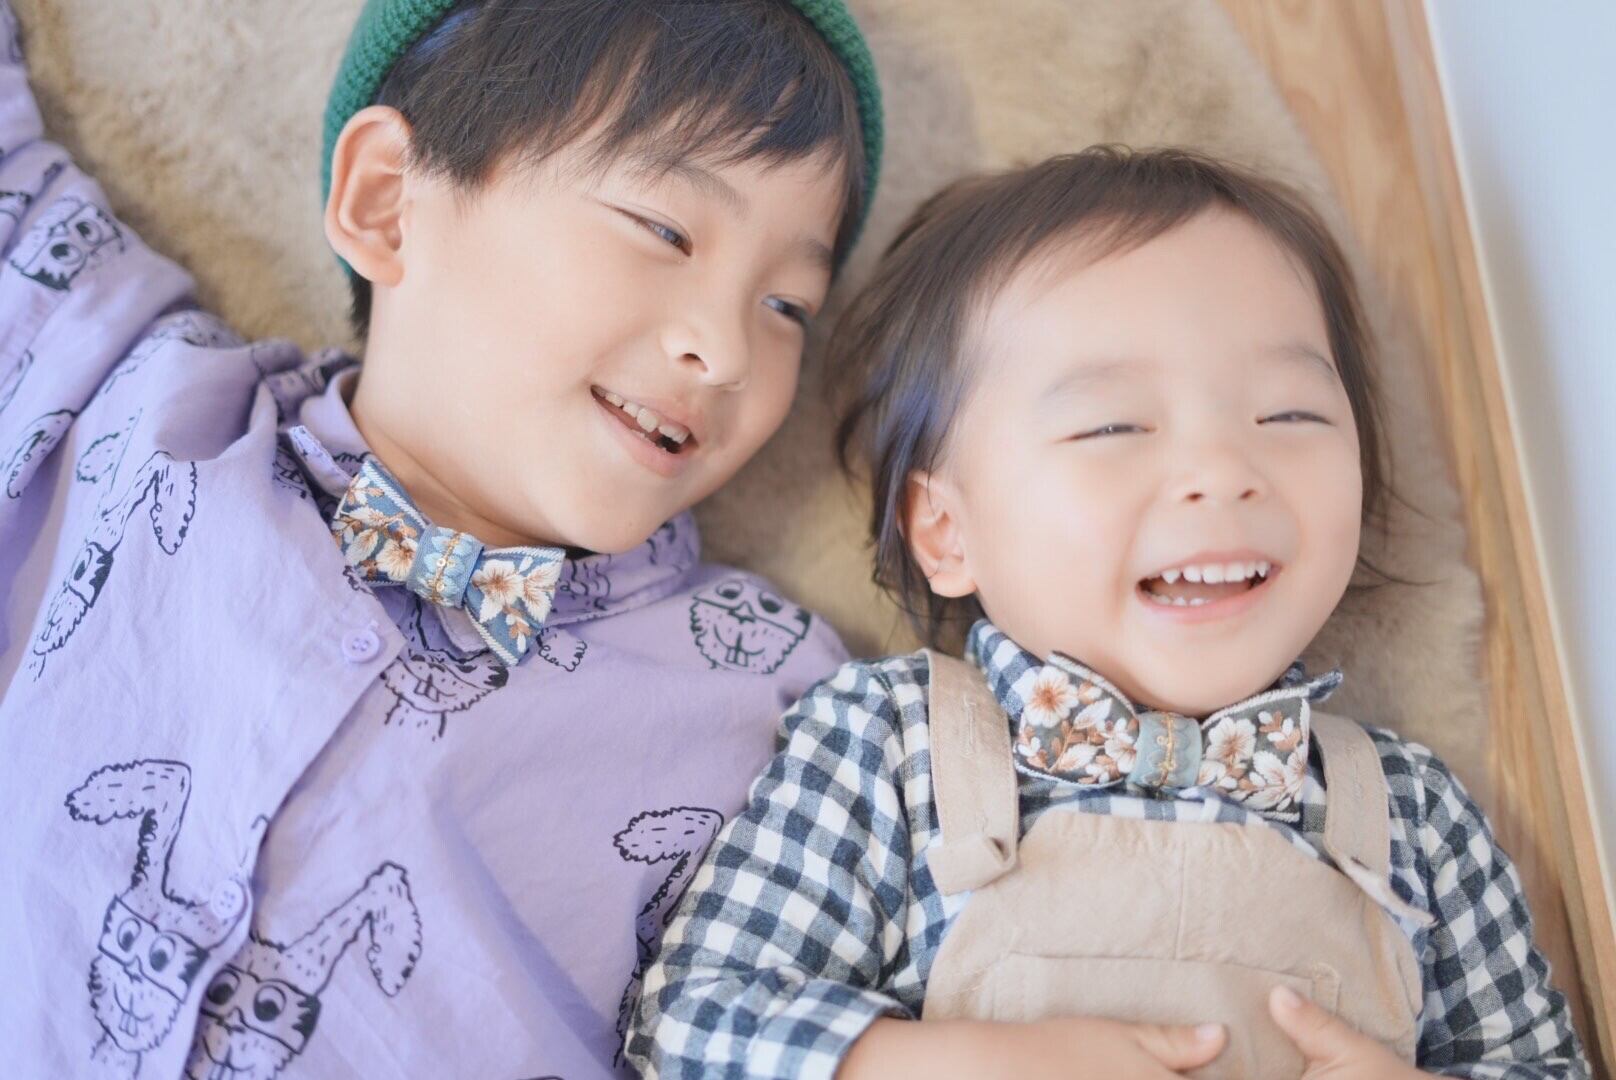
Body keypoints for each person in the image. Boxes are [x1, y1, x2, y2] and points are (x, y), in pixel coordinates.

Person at [0, 0, 881, 1075]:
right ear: (389, 202)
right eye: (665, 230)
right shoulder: (129, 392)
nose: (728, 351)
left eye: (788, 307)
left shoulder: (779, 706)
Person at [630, 148, 1588, 1078]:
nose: (1224, 471)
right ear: (948, 530)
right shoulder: (892, 748)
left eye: (1288, 415)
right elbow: (694, 1024)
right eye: (1114, 425)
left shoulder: (1412, 814)